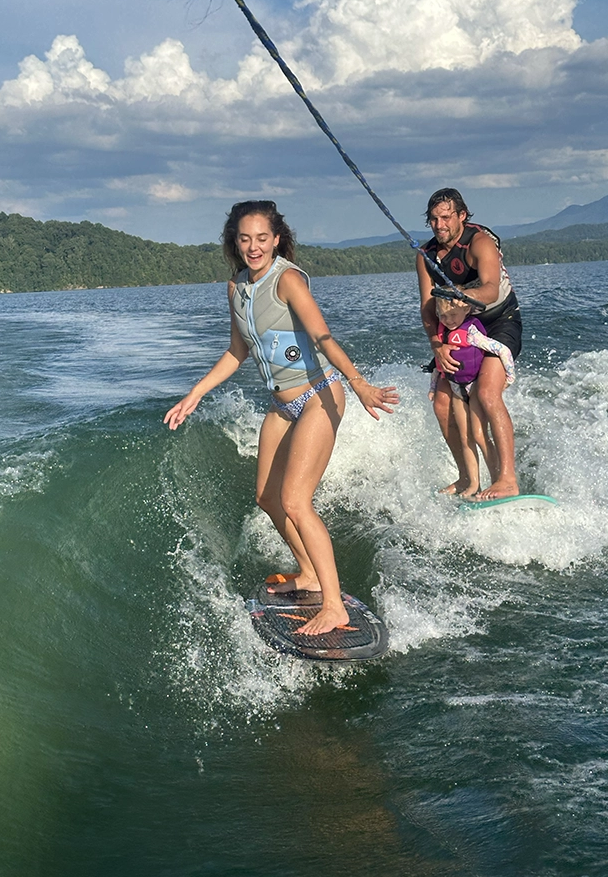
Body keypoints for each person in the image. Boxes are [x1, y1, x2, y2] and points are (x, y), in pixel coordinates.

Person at [165, 200, 398, 636]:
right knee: (268, 498)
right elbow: (237, 352)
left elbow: (322, 336)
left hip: (318, 396)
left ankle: (334, 605)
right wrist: (195, 393)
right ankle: (308, 573)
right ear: (235, 242)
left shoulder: (287, 280)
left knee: (295, 501)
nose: (253, 247)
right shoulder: (236, 288)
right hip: (281, 406)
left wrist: (359, 383)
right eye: (245, 239)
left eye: (262, 238)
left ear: (276, 239)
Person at [417, 187, 522, 500]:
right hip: (457, 328)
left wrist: (462, 295)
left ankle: (507, 480)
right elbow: (427, 307)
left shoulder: (479, 242)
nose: (439, 225)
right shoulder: (426, 256)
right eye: (433, 219)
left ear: (462, 215)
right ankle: (467, 478)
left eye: (446, 217)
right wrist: (437, 345)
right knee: (441, 402)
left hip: (498, 322)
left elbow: (490, 289)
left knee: (486, 394)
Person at [430, 291, 515, 498]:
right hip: (456, 389)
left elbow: (502, 350)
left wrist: (509, 377)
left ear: (466, 309)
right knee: (465, 437)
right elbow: (438, 366)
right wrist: (433, 387)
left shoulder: (471, 333)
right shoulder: (443, 337)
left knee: (478, 434)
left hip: (474, 388)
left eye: (452, 315)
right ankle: (472, 484)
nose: (448, 320)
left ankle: (496, 481)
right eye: (443, 316)